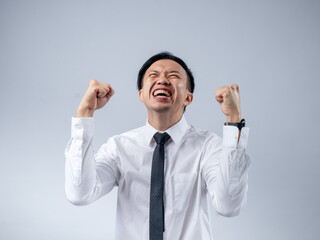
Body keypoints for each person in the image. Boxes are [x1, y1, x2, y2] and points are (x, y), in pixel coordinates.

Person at [65, 52, 251, 240]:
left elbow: (228, 205)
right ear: (141, 95)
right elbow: (80, 193)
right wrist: (85, 113)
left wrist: (233, 121)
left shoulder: (208, 146)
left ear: (188, 98)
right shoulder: (119, 147)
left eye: (173, 75)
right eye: (153, 75)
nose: (162, 80)